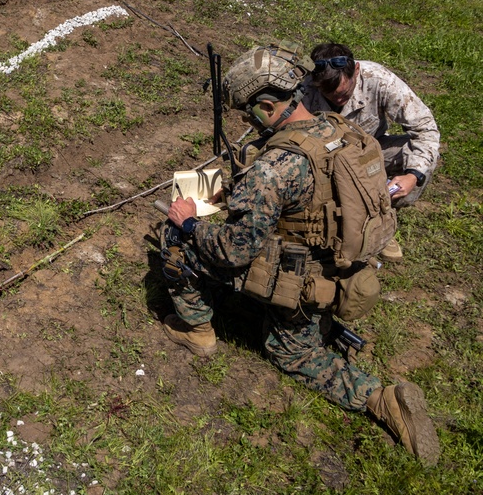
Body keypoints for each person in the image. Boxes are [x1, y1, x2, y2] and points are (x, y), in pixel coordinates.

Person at [160, 43, 440, 466]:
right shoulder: (342, 130)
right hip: (339, 267)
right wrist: (241, 193)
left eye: (250, 114)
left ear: (268, 106)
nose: (247, 122)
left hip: (299, 280)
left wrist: (189, 222)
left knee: (179, 242)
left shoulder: (274, 167)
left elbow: (235, 249)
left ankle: (197, 330)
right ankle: (349, 357)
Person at [302, 43, 440, 262]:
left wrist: (413, 175)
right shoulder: (303, 86)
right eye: (330, 95)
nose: (338, 100)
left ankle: (380, 220)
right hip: (316, 159)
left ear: (356, 70)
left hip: (366, 153)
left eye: (344, 94)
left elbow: (425, 128)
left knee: (414, 154)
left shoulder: (379, 80)